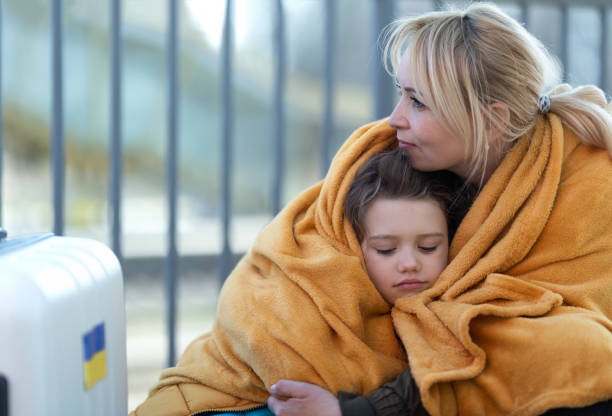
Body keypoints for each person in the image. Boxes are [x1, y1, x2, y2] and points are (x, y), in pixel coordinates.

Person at [267, 2, 612, 416]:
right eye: (401, 94)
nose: (394, 119)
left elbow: (530, 349)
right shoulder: (425, 173)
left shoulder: (588, 189)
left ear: (491, 121)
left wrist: (360, 412)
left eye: (418, 102)